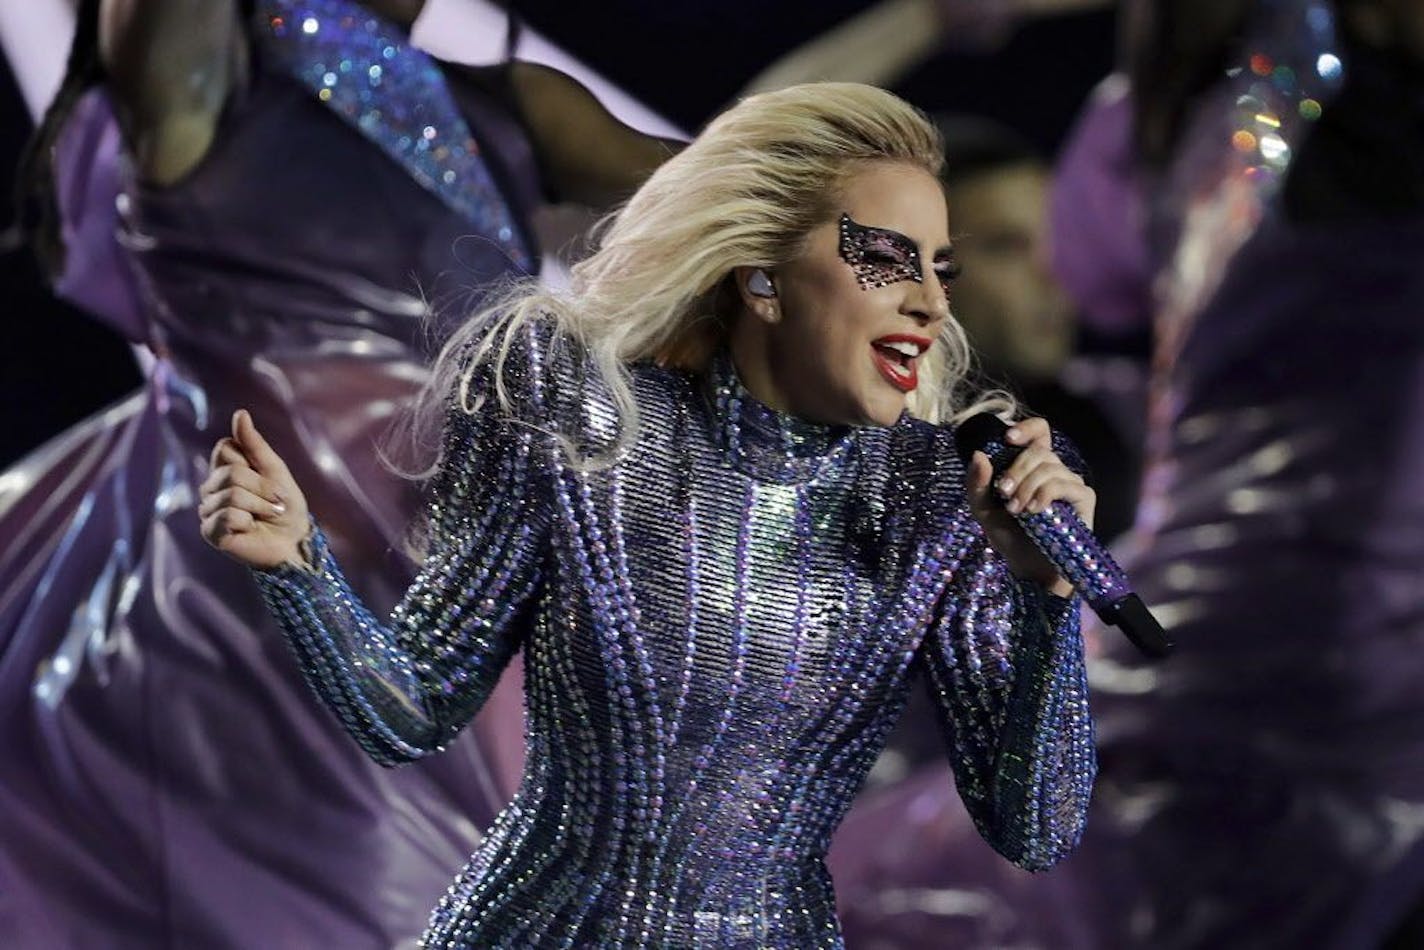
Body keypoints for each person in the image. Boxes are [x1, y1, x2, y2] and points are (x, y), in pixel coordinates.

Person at [200, 81, 1099, 946]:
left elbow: (1038, 830)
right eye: (887, 258)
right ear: (763, 277)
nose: (932, 303)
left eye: (938, 270)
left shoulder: (943, 497)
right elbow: (413, 708)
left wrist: (1048, 599)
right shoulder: (578, 412)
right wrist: (298, 565)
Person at [0, 0, 672, 946]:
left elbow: (773, 187)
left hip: (447, 578)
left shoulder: (508, 104)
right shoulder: (205, 83)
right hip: (241, 613)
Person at [832, 1, 1424, 946]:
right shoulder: (865, 452)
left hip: (1213, 722)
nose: (1041, 276)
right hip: (1249, 733)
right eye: (996, 248)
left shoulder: (1118, 391)